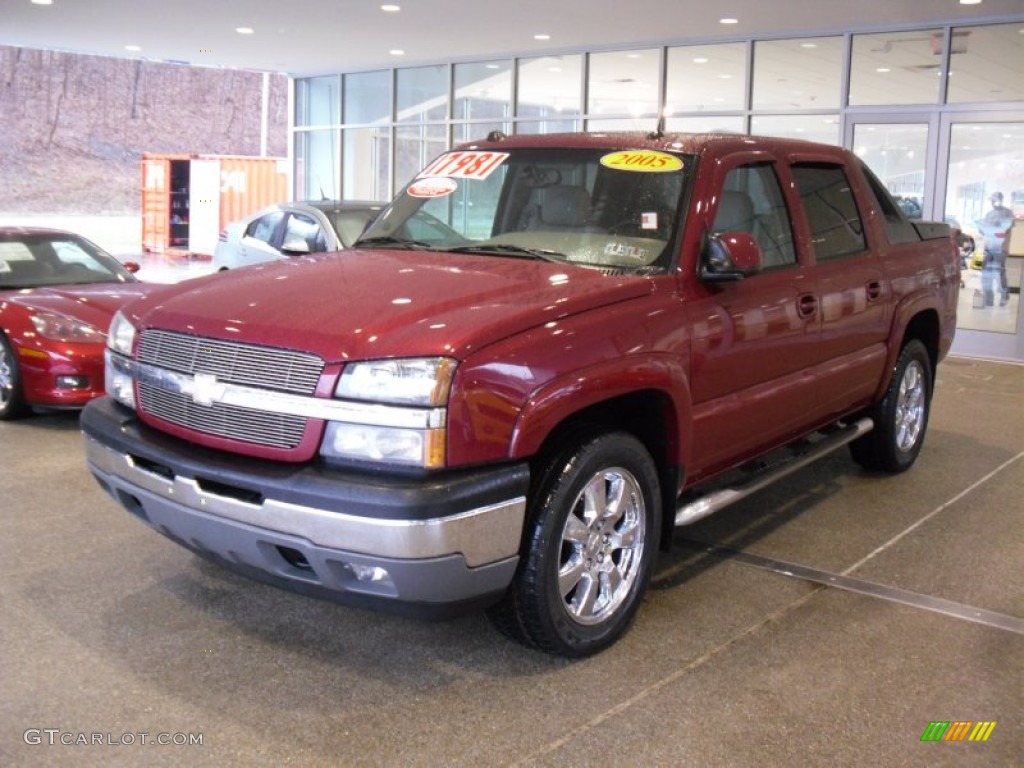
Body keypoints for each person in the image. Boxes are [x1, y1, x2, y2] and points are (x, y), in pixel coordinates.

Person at [978, 192, 1013, 307]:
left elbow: (1005, 230)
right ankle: (989, 299)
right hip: (988, 247)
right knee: (985, 273)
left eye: (995, 200)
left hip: (1000, 248)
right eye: (991, 201)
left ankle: (1004, 297)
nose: (993, 203)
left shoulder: (1007, 213)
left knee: (999, 273)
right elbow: (984, 230)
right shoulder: (989, 214)